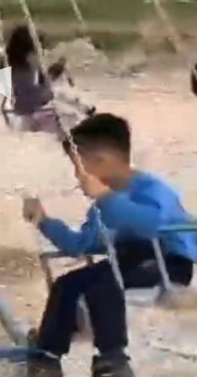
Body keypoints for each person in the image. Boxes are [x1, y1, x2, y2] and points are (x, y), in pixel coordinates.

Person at [23, 113, 196, 377]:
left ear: (102, 160)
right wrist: (44, 221)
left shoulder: (153, 189)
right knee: (67, 283)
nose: (77, 175)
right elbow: (80, 244)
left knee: (104, 283)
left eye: (79, 166)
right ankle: (47, 355)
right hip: (126, 263)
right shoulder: (104, 205)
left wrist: (105, 196)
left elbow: (150, 225)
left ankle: (113, 358)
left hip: (167, 263)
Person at [46, 57, 96, 130]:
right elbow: (77, 102)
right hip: (72, 121)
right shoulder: (62, 89)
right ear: (63, 74)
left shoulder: (56, 88)